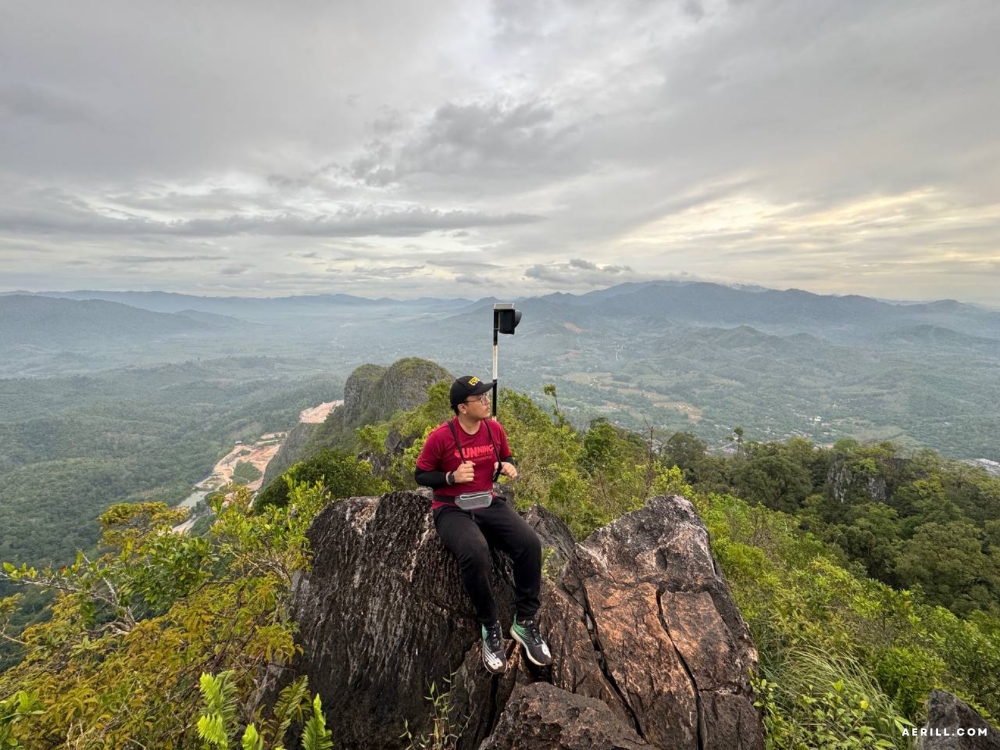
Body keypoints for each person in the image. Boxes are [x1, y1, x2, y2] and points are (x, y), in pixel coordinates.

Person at [415, 375, 552, 674]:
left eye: (486, 397)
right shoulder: (441, 437)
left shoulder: (493, 428)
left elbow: (506, 455)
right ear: (462, 407)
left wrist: (508, 465)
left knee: (529, 544)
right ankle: (490, 626)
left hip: (486, 501)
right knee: (476, 552)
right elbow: (421, 475)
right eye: (480, 399)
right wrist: (450, 478)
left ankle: (525, 622)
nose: (486, 401)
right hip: (451, 509)